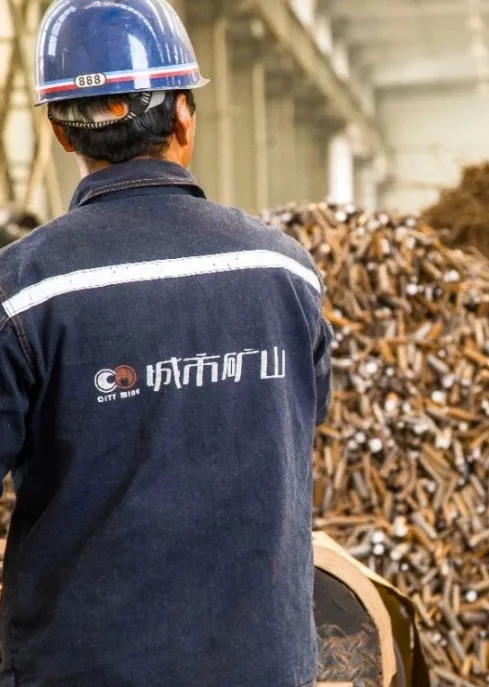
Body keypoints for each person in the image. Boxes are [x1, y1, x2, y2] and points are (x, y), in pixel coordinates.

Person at [0, 1, 332, 684]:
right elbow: (306, 414)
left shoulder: (25, 289)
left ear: (61, 133)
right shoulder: (284, 270)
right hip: (264, 666)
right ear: (184, 114)